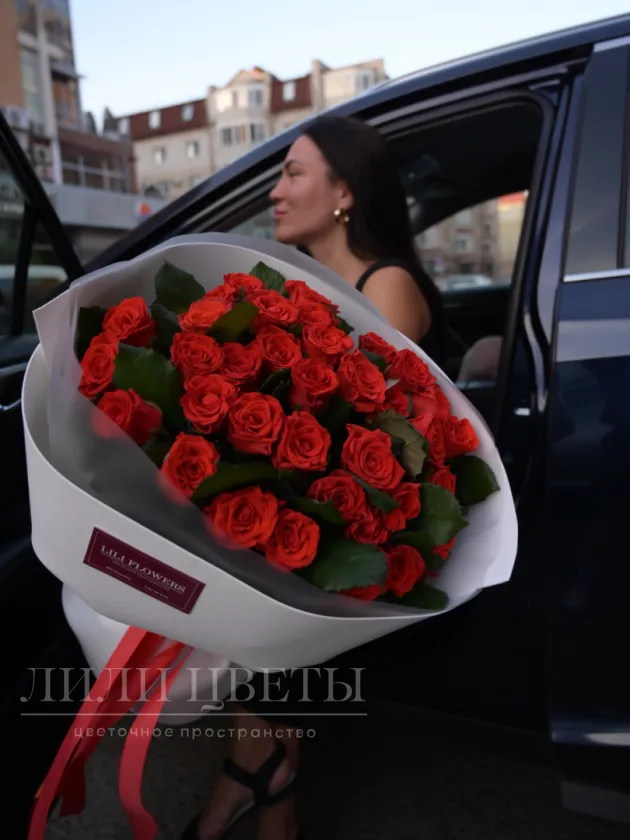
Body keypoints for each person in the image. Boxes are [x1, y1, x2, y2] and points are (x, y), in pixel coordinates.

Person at [181, 115, 445, 840]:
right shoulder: (302, 286)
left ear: (344, 193)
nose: (275, 191)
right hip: (325, 517)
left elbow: (371, 444)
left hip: (384, 532)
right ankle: (265, 787)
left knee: (273, 572)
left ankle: (256, 781)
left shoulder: (387, 285)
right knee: (244, 555)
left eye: (292, 173)